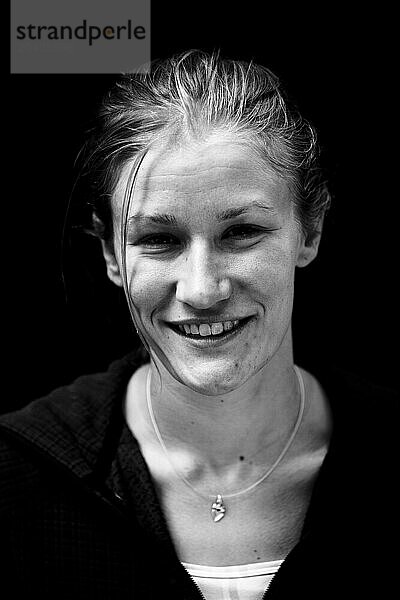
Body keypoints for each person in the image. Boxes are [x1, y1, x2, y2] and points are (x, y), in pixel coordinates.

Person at [0, 50, 397, 599]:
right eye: (158, 241)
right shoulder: (16, 478)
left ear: (310, 231)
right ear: (112, 255)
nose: (202, 289)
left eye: (242, 234)